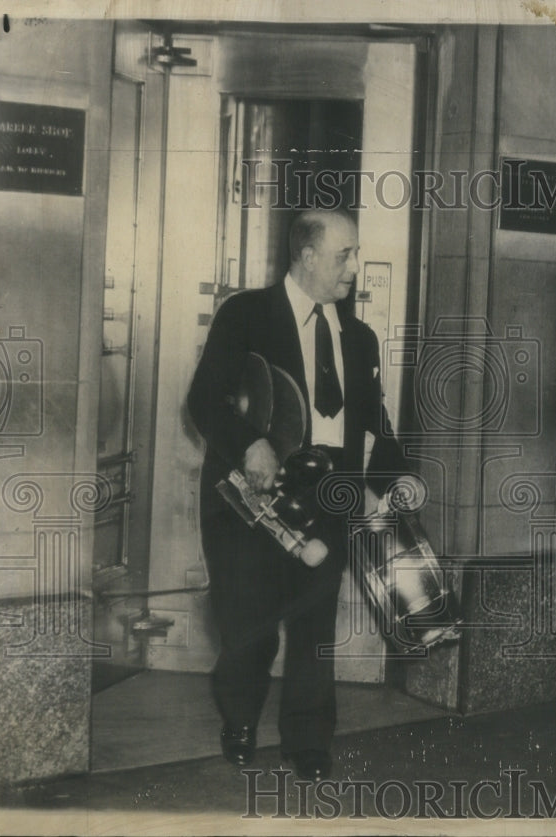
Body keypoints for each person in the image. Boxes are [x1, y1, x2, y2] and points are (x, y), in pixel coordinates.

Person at [188, 209, 407, 782]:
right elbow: (204, 399)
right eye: (345, 256)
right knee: (249, 627)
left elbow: (373, 422)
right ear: (307, 256)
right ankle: (239, 720)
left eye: (356, 254)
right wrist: (250, 444)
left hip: (326, 495)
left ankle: (308, 739)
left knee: (314, 627)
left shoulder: (358, 337)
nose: (355, 268)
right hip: (251, 499)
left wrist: (394, 477)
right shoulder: (247, 314)